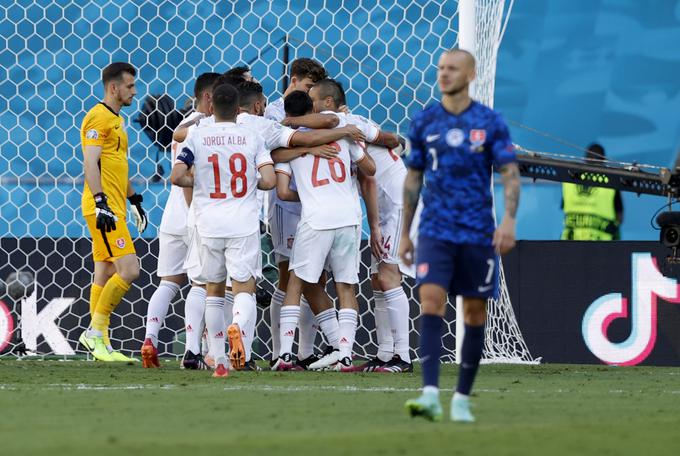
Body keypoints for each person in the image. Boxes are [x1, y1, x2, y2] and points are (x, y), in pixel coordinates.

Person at [400, 49, 520, 422]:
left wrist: (510, 222)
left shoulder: (490, 121)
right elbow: (414, 178)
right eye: (440, 68)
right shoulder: (424, 122)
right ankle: (431, 394)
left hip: (477, 232)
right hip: (435, 229)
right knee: (431, 300)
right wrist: (405, 233)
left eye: (452, 68)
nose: (444, 74)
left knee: (473, 311)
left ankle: (463, 398)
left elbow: (509, 173)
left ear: (470, 73)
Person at [302, 78, 413, 373]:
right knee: (378, 280)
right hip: (391, 202)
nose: (309, 112)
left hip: (397, 202)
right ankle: (386, 354)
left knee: (389, 275)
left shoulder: (340, 120)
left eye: (312, 102)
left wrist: (374, 226)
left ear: (328, 104)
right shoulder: (351, 124)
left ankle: (402, 356)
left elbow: (369, 178)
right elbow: (387, 142)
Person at [170, 83, 276, 378]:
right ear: (239, 109)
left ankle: (219, 360)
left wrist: (202, 182)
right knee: (244, 287)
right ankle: (239, 329)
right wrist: (246, 183)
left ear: (212, 106)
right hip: (242, 223)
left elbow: (177, 176)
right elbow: (268, 180)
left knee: (213, 290)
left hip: (208, 223)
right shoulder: (252, 136)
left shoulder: (198, 134)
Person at [273, 91, 376, 371]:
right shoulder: (341, 135)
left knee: (296, 282)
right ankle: (344, 355)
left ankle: (284, 355)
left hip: (316, 217)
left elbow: (282, 192)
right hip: (348, 217)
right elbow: (370, 168)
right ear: (313, 109)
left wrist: (307, 194)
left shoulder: (288, 145)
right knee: (346, 286)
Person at [140, 71, 220, 369]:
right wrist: (196, 215)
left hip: (171, 215)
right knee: (203, 285)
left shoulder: (182, 126)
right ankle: (194, 351)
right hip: (196, 215)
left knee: (168, 283)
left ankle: (150, 339)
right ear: (209, 97)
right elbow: (191, 177)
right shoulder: (207, 128)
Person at [78, 62, 147, 363]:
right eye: (130, 86)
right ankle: (94, 332)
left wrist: (134, 200)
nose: (134, 91)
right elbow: (90, 163)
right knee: (129, 270)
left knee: (104, 272)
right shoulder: (97, 117)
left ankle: (100, 343)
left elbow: (116, 165)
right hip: (103, 209)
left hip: (115, 206)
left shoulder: (115, 120)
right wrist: (101, 201)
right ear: (113, 87)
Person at [263, 58, 330, 366]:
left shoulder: (313, 111)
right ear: (293, 79)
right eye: (306, 86)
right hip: (285, 204)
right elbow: (274, 153)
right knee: (288, 276)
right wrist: (307, 147)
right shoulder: (274, 112)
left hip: (313, 205)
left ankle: (306, 350)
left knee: (317, 277)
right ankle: (281, 350)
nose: (309, 93)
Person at [561, 143, 623, 240]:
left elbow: (564, 208)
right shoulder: (611, 183)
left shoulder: (569, 182)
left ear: (585, 159)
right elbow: (620, 217)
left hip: (569, 246)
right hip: (602, 248)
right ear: (603, 161)